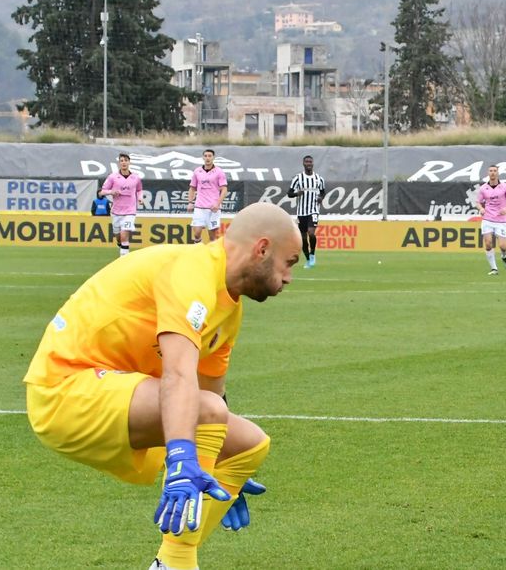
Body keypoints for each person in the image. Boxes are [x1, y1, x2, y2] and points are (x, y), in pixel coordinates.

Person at [23, 202, 302, 570]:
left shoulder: (229, 310)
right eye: (289, 263)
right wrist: (183, 459)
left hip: (115, 394)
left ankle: (170, 560)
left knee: (249, 447)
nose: (288, 278)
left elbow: (211, 392)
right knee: (207, 413)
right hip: (64, 390)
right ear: (262, 249)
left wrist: (221, 467)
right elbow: (179, 377)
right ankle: (175, 563)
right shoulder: (193, 271)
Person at [99, 152, 144, 257]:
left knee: (124, 235)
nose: (124, 163)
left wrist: (140, 198)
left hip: (130, 211)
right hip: (116, 212)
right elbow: (102, 191)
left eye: (126, 161)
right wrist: (111, 192)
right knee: (118, 237)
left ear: (129, 162)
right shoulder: (112, 177)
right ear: (119, 163)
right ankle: (120, 245)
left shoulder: (135, 177)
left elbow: (139, 190)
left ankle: (124, 258)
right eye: (121, 161)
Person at [476, 164, 506, 275]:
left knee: (502, 246)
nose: (493, 172)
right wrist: (481, 209)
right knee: (488, 244)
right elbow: (478, 202)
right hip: (487, 219)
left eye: (494, 170)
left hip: (501, 220)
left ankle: (504, 256)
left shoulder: (505, 187)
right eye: (490, 171)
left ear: (498, 173)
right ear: (488, 173)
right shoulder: (483, 188)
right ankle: (494, 268)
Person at [287, 154, 326, 268]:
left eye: (310, 162)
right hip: (301, 212)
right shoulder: (298, 178)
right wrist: (296, 194)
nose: (309, 164)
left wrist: (321, 198)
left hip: (313, 210)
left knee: (311, 233)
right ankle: (308, 259)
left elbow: (323, 192)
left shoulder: (319, 179)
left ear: (313, 163)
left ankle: (313, 255)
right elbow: (289, 193)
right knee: (303, 238)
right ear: (303, 164)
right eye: (307, 162)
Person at [187, 149, 228, 244]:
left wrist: (218, 204)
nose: (207, 158)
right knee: (196, 232)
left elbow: (224, 189)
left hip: (213, 208)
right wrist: (190, 202)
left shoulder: (219, 172)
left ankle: (212, 255)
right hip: (199, 206)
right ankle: (198, 251)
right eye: (205, 156)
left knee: (212, 236)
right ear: (203, 157)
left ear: (213, 158)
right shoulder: (197, 171)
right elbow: (192, 188)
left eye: (210, 156)